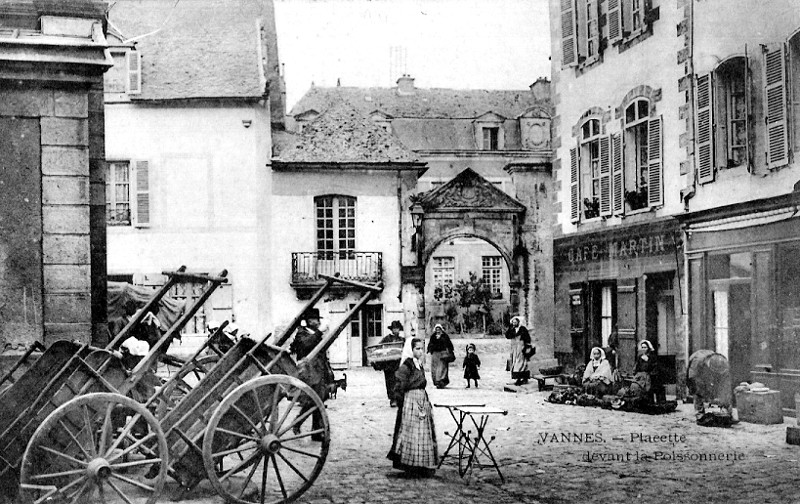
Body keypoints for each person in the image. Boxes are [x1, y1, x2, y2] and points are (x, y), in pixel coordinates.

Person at [387, 338, 438, 477]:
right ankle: (410, 464)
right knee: (411, 434)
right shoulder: (406, 366)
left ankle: (421, 464)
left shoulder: (419, 364)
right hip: (411, 402)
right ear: (411, 350)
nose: (420, 351)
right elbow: (399, 385)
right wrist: (403, 402)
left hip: (421, 401)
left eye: (422, 349)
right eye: (417, 349)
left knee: (422, 435)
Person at [289, 308, 332, 441]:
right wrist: (319, 332)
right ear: (308, 321)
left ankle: (313, 430)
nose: (318, 322)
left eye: (318, 319)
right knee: (314, 400)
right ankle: (302, 425)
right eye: (315, 319)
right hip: (308, 373)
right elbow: (307, 345)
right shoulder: (301, 333)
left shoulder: (313, 333)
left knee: (318, 399)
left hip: (318, 371)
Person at [686, 349, 732, 422]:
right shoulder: (697, 363)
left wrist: (728, 410)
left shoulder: (722, 362)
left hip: (708, 358)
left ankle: (726, 411)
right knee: (697, 389)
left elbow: (725, 385)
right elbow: (693, 379)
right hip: (697, 363)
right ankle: (699, 413)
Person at [377, 320, 405, 407]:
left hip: (399, 365)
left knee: (399, 382)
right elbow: (379, 349)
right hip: (389, 366)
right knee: (390, 382)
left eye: (398, 329)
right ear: (392, 330)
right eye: (394, 329)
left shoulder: (402, 340)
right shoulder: (386, 339)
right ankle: (392, 399)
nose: (396, 330)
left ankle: (399, 399)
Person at [505, 316, 533, 386]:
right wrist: (510, 328)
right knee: (514, 361)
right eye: (513, 322)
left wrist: (526, 347)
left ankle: (520, 379)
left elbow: (527, 339)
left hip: (521, 347)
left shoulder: (523, 329)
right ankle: (520, 378)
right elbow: (507, 336)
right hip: (514, 348)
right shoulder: (512, 329)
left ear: (518, 322)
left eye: (515, 322)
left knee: (520, 362)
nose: (514, 323)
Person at [426, 324, 454, 389]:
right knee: (435, 369)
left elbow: (449, 344)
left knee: (442, 368)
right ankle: (436, 382)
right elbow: (430, 343)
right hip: (435, 354)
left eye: (439, 329)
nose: (438, 331)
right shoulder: (433, 336)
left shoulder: (445, 336)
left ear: (441, 330)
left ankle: (441, 382)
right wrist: (430, 349)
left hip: (443, 354)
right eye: (436, 329)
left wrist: (449, 352)